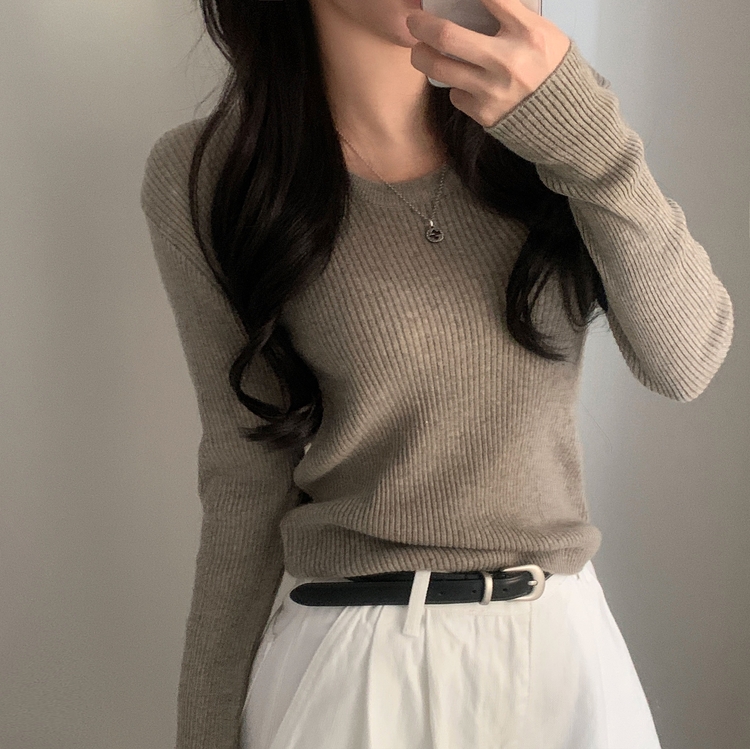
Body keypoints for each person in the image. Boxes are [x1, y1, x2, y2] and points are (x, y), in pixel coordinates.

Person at [139, 1, 734, 748]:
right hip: (356, 674)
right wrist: (203, 731)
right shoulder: (212, 175)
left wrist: (588, 139)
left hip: (562, 662)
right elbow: (244, 475)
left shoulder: (551, 122)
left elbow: (686, 359)